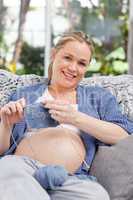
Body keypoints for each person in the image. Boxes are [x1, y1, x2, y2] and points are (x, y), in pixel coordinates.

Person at [0, 31, 133, 200]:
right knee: (5, 168)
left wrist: (76, 118)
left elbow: (123, 136)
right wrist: (6, 124)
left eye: (81, 63)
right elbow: (2, 149)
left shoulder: (98, 97)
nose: (73, 68)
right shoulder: (24, 94)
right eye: (68, 58)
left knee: (98, 195)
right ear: (54, 55)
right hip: (23, 171)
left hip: (70, 179)